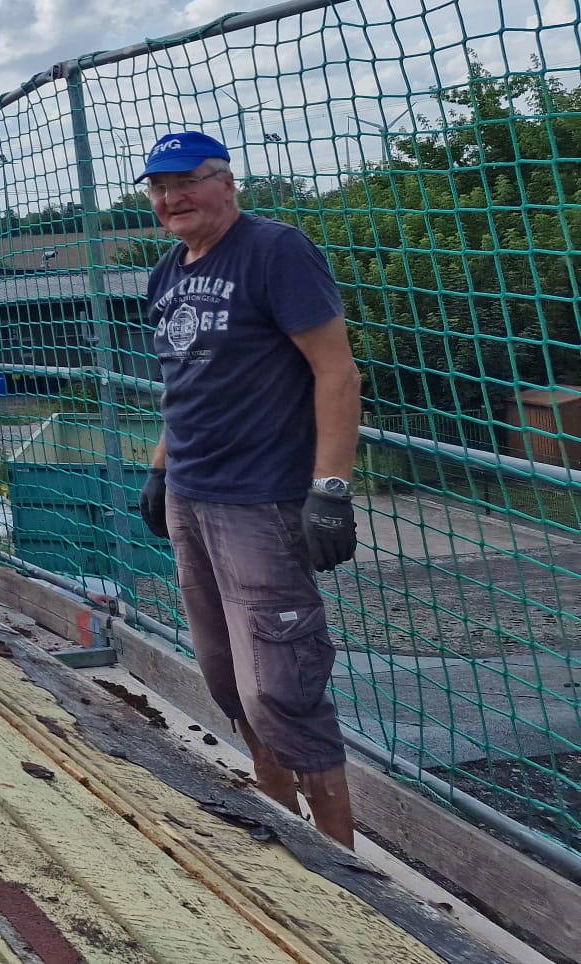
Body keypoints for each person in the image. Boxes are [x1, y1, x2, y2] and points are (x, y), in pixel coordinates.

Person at [135, 130, 361, 847]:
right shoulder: (166, 272)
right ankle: (283, 830)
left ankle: (345, 865)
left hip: (260, 502)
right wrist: (159, 467)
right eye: (159, 187)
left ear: (227, 183)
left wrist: (330, 488)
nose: (172, 198)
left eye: (188, 181)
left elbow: (336, 370)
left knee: (281, 688)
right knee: (228, 680)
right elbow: (183, 382)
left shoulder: (274, 250)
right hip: (190, 496)